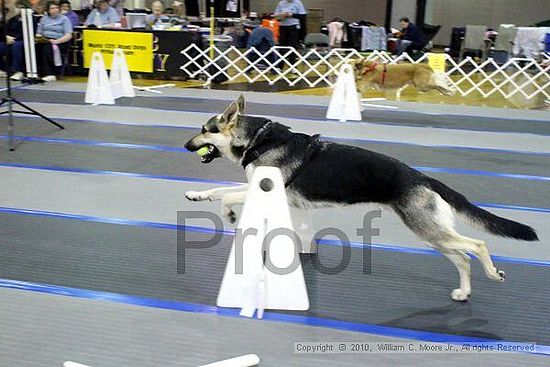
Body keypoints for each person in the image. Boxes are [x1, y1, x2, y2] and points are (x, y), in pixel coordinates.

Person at [35, 1, 73, 82]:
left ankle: (50, 74)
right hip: (45, 40)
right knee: (35, 48)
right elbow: (38, 33)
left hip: (60, 42)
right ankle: (35, 72)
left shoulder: (64, 19)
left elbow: (69, 35)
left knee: (47, 48)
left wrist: (57, 41)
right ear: (48, 10)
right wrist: (39, 37)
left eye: (56, 8)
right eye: (52, 8)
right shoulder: (43, 19)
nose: (55, 10)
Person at [274, 0, 306, 67]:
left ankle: (292, 66)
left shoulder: (298, 3)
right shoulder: (281, 3)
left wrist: (291, 15)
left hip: (293, 26)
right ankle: (280, 66)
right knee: (282, 46)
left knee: (292, 46)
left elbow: (302, 16)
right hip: (282, 27)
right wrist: (282, 15)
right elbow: (276, 16)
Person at [0, 0, 26, 80]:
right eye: (19, 7)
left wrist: (15, 39)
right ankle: (3, 69)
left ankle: (17, 71)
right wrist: (6, 37)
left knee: (16, 46)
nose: (20, 9)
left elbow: (27, 32)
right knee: (1, 46)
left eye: (22, 8)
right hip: (10, 39)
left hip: (22, 40)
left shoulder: (30, 18)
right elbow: (6, 30)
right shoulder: (13, 19)